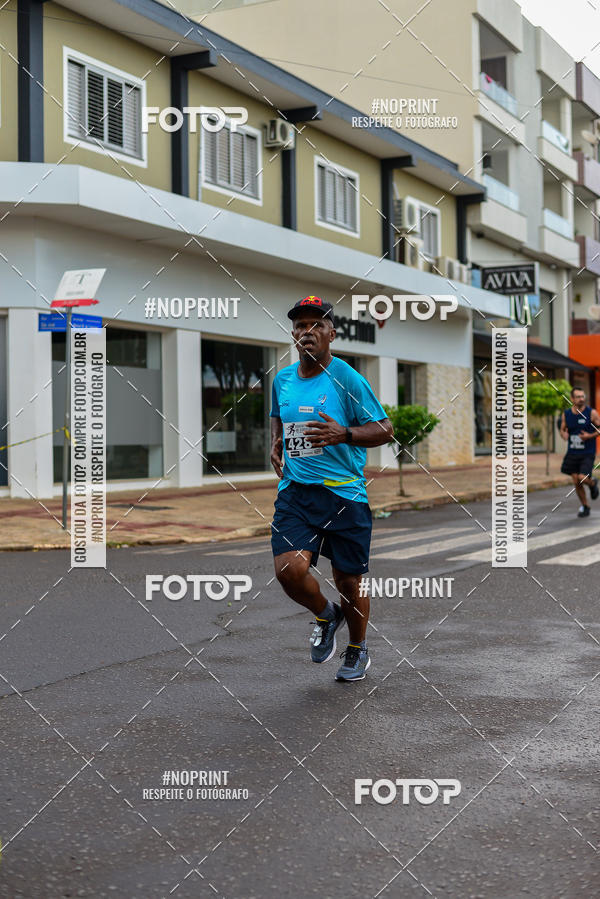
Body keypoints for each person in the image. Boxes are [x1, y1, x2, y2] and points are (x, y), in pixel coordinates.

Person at [270, 296, 393, 682]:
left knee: (349, 582)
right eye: (300, 325)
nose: (306, 331)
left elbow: (385, 429)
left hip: (344, 494)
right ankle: (326, 615)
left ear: (331, 334)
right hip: (296, 491)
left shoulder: (347, 379)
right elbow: (278, 418)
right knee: (289, 570)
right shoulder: (283, 379)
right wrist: (275, 443)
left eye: (316, 325)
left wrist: (345, 434)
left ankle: (357, 649)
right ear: (293, 334)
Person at [559, 387, 600, 517]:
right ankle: (585, 506)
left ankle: (592, 483)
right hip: (572, 452)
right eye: (578, 397)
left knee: (582, 478)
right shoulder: (566, 414)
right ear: (572, 399)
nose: (581, 399)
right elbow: (563, 429)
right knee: (576, 481)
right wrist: (563, 434)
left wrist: (589, 436)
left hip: (588, 452)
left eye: (583, 396)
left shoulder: (591, 413)